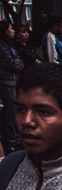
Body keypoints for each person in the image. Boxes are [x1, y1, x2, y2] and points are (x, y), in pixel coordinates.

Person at [0, 22, 23, 153]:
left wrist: (18, 63)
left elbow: (18, 60)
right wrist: (18, 64)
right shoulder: (2, 47)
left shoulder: (9, 45)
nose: (13, 31)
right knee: (10, 112)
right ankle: (12, 140)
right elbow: (11, 63)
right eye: (10, 29)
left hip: (13, 81)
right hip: (6, 82)